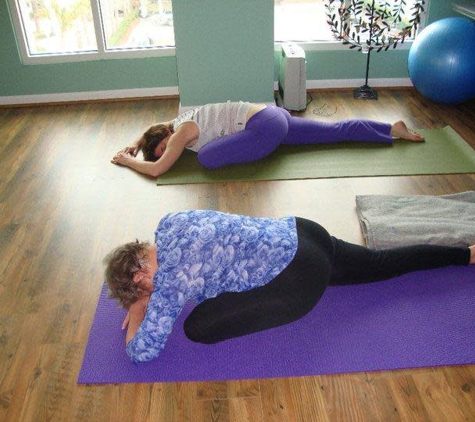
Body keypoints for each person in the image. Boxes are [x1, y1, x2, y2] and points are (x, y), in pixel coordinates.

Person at [104, 210, 474, 364]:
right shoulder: (170, 222)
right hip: (302, 232)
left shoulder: (170, 279)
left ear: (140, 277)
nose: (150, 298)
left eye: (143, 292)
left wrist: (139, 310)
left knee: (196, 327)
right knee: (379, 263)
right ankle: (466, 255)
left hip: (300, 276)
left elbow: (142, 353)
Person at [111, 102, 425, 177]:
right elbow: (151, 127)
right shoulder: (174, 121)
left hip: (264, 127)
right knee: (334, 131)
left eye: (164, 147)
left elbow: (158, 170)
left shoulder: (180, 131)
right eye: (162, 150)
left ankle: (268, 147)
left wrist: (128, 161)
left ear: (166, 135)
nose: (170, 151)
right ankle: (390, 129)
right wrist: (137, 145)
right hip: (274, 116)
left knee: (206, 157)